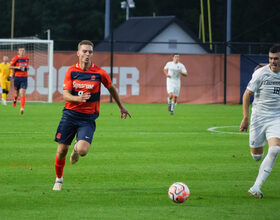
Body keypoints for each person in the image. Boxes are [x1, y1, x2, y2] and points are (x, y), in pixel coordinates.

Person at [53, 40, 131, 191]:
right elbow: (66, 95)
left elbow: (111, 88)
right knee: (62, 151)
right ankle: (59, 179)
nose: (87, 54)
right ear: (78, 53)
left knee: (82, 151)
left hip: (87, 118)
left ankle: (76, 149)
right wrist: (78, 98)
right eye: (84, 51)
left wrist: (121, 106)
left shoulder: (99, 73)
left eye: (90, 52)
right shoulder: (71, 71)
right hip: (69, 115)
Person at [240, 44, 280, 199]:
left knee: (275, 149)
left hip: (276, 117)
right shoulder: (260, 74)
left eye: (276, 59)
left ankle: (256, 186)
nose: (273, 62)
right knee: (256, 156)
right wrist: (245, 117)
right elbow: (246, 95)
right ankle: (260, 150)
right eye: (270, 58)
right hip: (258, 118)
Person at [9, 47, 29, 115]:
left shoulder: (27, 58)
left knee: (22, 93)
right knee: (17, 93)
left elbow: (27, 66)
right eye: (21, 51)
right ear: (18, 52)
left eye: (23, 50)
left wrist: (27, 68)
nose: (22, 52)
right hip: (17, 77)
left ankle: (22, 108)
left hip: (24, 77)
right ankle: (15, 100)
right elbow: (9, 66)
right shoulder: (15, 58)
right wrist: (17, 67)